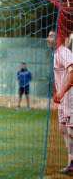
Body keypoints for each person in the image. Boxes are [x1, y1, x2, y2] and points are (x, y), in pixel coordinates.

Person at [48, 30, 73, 175]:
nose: (48, 38)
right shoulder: (56, 53)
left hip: (70, 97)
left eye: (52, 36)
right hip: (63, 98)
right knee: (63, 129)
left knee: (71, 130)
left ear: (60, 38)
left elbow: (72, 73)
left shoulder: (64, 52)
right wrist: (57, 92)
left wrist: (62, 91)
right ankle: (71, 163)